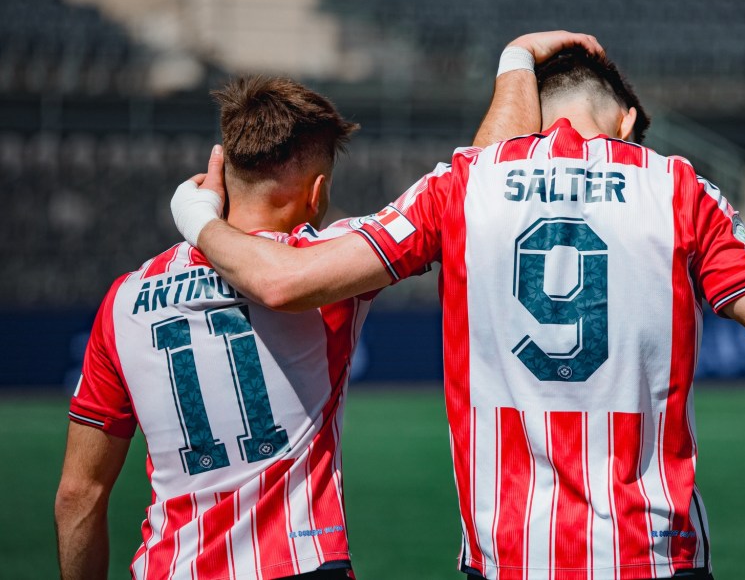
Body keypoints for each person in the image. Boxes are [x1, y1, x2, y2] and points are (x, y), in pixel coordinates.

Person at [171, 50, 745, 580]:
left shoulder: (463, 186)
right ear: (630, 119)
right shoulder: (677, 187)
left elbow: (284, 281)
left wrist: (196, 211)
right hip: (652, 557)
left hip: (508, 561)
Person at [53, 30, 601, 580]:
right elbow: (483, 179)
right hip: (300, 564)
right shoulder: (327, 271)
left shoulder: (124, 299)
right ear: (315, 194)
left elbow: (79, 496)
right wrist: (516, 59)